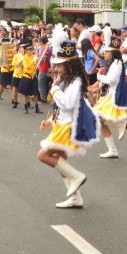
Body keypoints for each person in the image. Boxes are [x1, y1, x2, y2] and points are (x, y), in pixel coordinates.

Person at [38, 28, 99, 209]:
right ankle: (76, 198)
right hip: (63, 124)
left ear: (69, 65)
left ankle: (76, 177)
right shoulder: (68, 81)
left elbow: (68, 104)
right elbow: (63, 108)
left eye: (60, 65)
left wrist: (55, 89)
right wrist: (51, 121)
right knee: (60, 161)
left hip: (68, 126)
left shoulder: (75, 82)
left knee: (43, 155)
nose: (56, 68)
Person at [92, 29, 127, 155]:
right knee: (99, 121)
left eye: (106, 51)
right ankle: (112, 149)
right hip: (111, 93)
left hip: (114, 95)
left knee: (97, 118)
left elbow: (111, 80)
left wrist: (99, 77)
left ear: (112, 53)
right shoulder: (113, 63)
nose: (104, 53)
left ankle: (120, 123)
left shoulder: (116, 63)